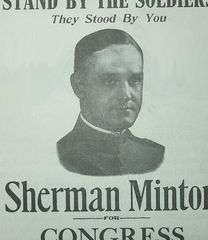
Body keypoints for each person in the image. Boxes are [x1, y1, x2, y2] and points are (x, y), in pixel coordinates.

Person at [57, 29, 165, 175]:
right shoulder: (61, 155)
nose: (126, 94)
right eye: (110, 81)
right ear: (78, 86)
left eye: (135, 80)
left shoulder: (154, 155)